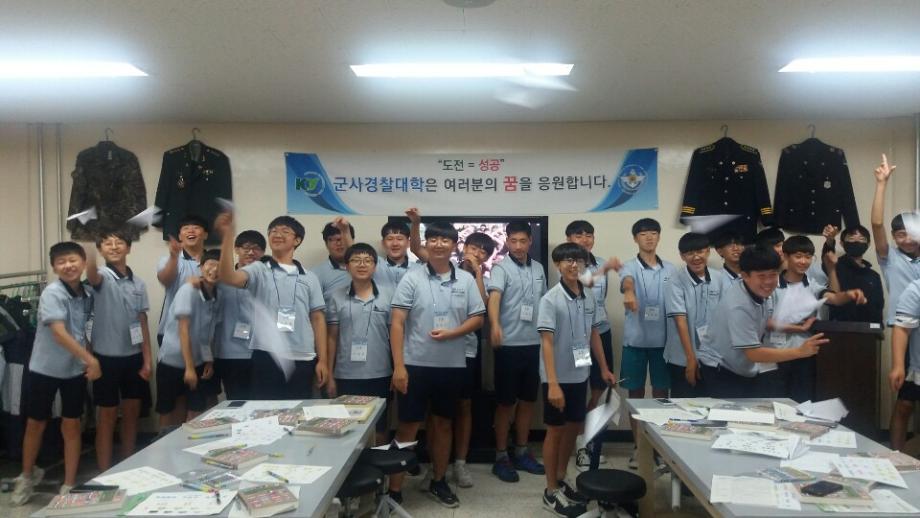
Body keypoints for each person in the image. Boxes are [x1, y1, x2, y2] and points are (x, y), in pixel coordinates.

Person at [388, 222, 485, 508]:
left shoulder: (465, 280)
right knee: (408, 427)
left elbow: (478, 318)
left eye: (445, 240)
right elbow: (397, 323)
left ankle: (438, 481)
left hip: (451, 366)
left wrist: (453, 333)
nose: (439, 244)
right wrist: (399, 366)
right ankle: (394, 490)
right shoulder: (411, 278)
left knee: (443, 424)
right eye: (433, 239)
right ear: (426, 244)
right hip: (414, 364)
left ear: (454, 245)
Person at [11, 242, 101, 505]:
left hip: (73, 370)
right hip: (45, 369)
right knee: (35, 423)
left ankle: (69, 483)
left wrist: (87, 356)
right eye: (61, 262)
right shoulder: (52, 293)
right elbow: (59, 333)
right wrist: (91, 359)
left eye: (73, 260)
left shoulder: (86, 293)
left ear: (82, 263)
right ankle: (27, 476)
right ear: (54, 267)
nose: (68, 265)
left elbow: (83, 329)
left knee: (72, 424)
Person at [538, 243, 617, 518]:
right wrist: (553, 383)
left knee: (573, 427)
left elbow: (594, 333)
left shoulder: (588, 295)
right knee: (555, 431)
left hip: (580, 373)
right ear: (557, 265)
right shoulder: (550, 299)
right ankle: (550, 491)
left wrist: (604, 368)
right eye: (567, 260)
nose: (574, 265)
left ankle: (561, 478)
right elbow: (546, 343)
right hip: (556, 377)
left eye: (578, 261)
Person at [216, 212, 328, 400]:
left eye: (285, 231)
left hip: (303, 356)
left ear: (297, 240)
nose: (277, 234)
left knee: (298, 411)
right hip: (266, 355)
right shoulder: (258, 269)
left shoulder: (310, 277)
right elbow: (229, 277)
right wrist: (227, 237)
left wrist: (322, 360)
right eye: (273, 231)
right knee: (265, 412)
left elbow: (318, 319)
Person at [702, 245, 829, 398]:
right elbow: (754, 353)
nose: (768, 282)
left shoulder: (761, 291)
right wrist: (799, 352)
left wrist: (798, 328)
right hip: (721, 367)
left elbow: (765, 321)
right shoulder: (739, 306)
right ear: (745, 275)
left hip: (743, 364)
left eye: (773, 275)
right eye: (761, 276)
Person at [84, 231, 152, 471]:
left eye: (119, 242)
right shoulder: (101, 277)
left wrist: (147, 360)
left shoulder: (138, 283)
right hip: (105, 360)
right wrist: (87, 238)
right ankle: (104, 472)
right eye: (107, 243)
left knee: (132, 414)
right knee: (107, 417)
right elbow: (91, 274)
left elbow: (142, 322)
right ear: (100, 250)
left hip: (133, 358)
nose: (113, 246)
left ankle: (127, 467)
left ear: (129, 248)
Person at [772, 235, 866, 402]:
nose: (804, 261)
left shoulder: (812, 286)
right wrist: (797, 326)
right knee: (774, 402)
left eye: (808, 257)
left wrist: (849, 294)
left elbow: (834, 298)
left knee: (802, 403)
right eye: (798, 256)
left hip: (805, 355)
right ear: (786, 256)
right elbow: (764, 322)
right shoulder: (771, 285)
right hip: (775, 354)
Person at [488, 221, 547, 483]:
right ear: (507, 241)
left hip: (534, 344)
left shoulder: (539, 268)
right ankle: (501, 456)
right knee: (505, 403)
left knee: (528, 401)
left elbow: (544, 302)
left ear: (530, 241)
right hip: (508, 345)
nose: (518, 246)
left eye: (523, 241)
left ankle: (522, 451)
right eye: (513, 241)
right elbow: (494, 299)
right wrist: (495, 325)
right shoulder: (501, 268)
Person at [871, 153, 920, 447]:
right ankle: (895, 457)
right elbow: (876, 223)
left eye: (911, 234)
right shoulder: (889, 257)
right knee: (904, 403)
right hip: (903, 332)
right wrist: (881, 184)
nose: (907, 240)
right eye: (900, 235)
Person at [564, 220, 621, 467]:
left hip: (601, 332)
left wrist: (604, 267)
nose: (585, 239)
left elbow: (599, 300)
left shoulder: (599, 263)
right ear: (569, 239)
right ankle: (578, 444)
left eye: (589, 235)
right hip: (578, 339)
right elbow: (583, 283)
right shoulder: (567, 264)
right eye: (579, 235)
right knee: (578, 389)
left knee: (599, 387)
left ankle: (588, 439)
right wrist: (605, 268)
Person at [619, 218, 674, 467]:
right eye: (643, 234)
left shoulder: (671, 269)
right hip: (635, 341)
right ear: (635, 238)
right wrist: (629, 292)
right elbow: (626, 282)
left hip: (664, 342)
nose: (649, 237)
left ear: (659, 237)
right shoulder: (628, 266)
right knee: (636, 394)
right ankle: (639, 447)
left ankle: (659, 448)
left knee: (662, 394)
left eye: (653, 233)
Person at [326, 243, 393, 446]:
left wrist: (399, 369)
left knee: (380, 427)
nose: (362, 264)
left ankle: (377, 464)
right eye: (356, 260)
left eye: (367, 260)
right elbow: (332, 337)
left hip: (380, 373)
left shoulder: (389, 295)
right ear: (347, 266)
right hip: (346, 374)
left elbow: (397, 335)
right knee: (347, 428)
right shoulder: (336, 296)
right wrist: (330, 374)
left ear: (375, 266)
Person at [446, 231, 494, 488]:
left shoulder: (483, 279)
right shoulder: (444, 269)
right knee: (439, 408)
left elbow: (482, 307)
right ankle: (438, 463)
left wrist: (477, 273)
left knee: (465, 405)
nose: (477, 253)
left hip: (467, 349)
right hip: (438, 348)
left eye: (483, 252)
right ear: (463, 247)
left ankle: (460, 462)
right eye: (474, 248)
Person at [155, 250, 221, 426]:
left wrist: (209, 361)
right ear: (201, 267)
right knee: (168, 412)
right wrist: (189, 368)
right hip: (172, 362)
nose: (214, 269)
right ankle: (164, 443)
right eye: (210, 264)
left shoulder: (216, 295)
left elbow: (208, 333)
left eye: (220, 266)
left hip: (198, 362)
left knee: (194, 411)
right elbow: (183, 330)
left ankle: (181, 443)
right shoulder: (188, 290)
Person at [663, 232, 727, 398]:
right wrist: (691, 359)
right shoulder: (675, 281)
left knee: (711, 403)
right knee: (683, 404)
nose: (696, 257)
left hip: (711, 357)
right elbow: (680, 321)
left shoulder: (719, 278)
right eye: (690, 253)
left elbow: (724, 317)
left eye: (700, 251)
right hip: (682, 357)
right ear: (682, 256)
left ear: (708, 251)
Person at [213, 230, 266, 400]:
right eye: (246, 247)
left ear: (263, 253)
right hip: (229, 353)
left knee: (261, 402)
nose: (251, 252)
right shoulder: (220, 279)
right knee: (236, 402)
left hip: (260, 352)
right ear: (236, 250)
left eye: (256, 248)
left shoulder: (268, 280)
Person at [156, 214, 208, 343]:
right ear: (180, 236)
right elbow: (165, 280)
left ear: (205, 235)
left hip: (204, 332)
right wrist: (174, 257)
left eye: (196, 227)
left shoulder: (214, 262)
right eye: (186, 228)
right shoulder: (169, 260)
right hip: (172, 331)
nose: (191, 231)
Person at [825, 226, 884, 324]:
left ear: (868, 244)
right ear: (842, 243)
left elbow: (879, 306)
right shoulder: (834, 266)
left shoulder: (874, 276)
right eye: (851, 238)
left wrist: (878, 329)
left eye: (861, 239)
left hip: (869, 330)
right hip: (839, 328)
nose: (856, 242)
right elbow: (827, 256)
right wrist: (830, 241)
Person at [889, 278, 920, 451]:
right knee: (904, 406)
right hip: (917, 366)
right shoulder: (916, 288)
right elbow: (902, 328)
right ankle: (896, 456)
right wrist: (898, 365)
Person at [313, 218, 355, 304]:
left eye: (341, 239)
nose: (338, 244)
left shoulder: (368, 267)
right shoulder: (316, 274)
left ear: (351, 240)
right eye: (332, 240)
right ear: (326, 244)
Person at [374, 219, 423, 291]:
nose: (395, 244)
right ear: (383, 243)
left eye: (399, 239)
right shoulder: (374, 269)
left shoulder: (419, 270)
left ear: (408, 243)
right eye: (390, 239)